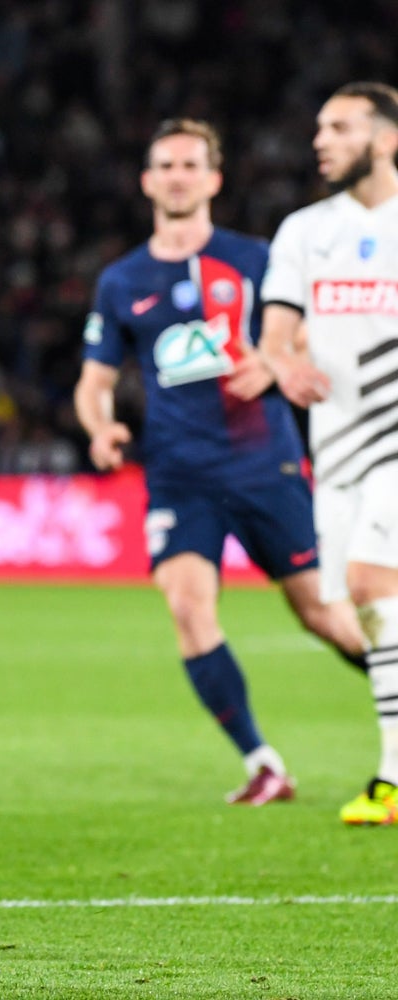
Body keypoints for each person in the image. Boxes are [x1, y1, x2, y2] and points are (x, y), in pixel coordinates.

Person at [75, 119, 367, 806]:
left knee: (324, 617)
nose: (177, 176)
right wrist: (99, 429)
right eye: (164, 165)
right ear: (148, 181)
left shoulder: (258, 260)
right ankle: (265, 763)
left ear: (214, 179)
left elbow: (310, 337)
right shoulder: (122, 281)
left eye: (190, 165)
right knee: (188, 607)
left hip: (265, 463)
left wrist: (272, 361)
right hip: (180, 474)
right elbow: (95, 382)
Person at [239, 81, 398, 826]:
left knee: (369, 583)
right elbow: (273, 333)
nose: (321, 140)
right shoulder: (303, 231)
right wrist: (282, 364)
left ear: (386, 138)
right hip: (334, 449)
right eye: (318, 128)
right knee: (346, 610)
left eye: (339, 127)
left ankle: (393, 780)